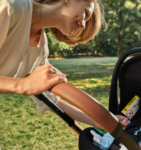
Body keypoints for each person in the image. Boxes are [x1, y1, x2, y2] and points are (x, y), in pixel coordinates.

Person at [0, 0, 106, 128]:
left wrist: (101, 122)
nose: (83, 25)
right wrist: (23, 85)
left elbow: (52, 100)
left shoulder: (41, 48)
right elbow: (25, 85)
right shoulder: (10, 7)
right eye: (86, 13)